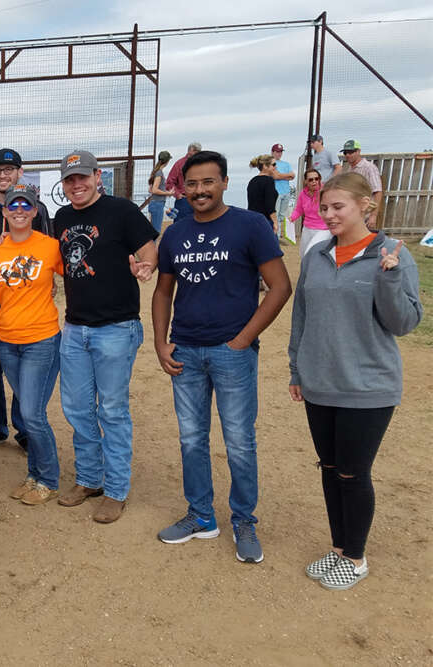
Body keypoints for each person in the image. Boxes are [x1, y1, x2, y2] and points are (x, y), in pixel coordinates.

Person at [152, 150, 292, 563]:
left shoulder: (249, 225)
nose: (199, 191)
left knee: (238, 441)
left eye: (208, 182)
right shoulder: (175, 233)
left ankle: (243, 519)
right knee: (191, 438)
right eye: (192, 184)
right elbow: (163, 291)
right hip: (186, 351)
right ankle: (200, 516)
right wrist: (161, 342)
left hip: (232, 352)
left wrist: (243, 339)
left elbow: (280, 287)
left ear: (225, 183)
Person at [289, 172, 422, 590]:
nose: (328, 215)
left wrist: (390, 276)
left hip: (368, 387)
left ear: (366, 206)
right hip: (319, 382)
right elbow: (302, 318)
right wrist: (297, 369)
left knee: (352, 472)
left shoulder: (392, 253)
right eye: (324, 207)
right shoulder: (316, 255)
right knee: (329, 469)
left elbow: (403, 323)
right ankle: (339, 548)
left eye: (337, 207)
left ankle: (356, 557)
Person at [53, 151, 158, 523]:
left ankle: (115, 489)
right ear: (63, 184)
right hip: (75, 327)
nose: (76, 185)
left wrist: (146, 266)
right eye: (69, 179)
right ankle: (89, 479)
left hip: (115, 327)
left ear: (98, 176)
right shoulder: (62, 218)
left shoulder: (122, 210)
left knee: (112, 410)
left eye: (83, 177)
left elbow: (149, 249)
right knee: (78, 408)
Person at [0, 184, 64, 506]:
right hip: (8, 341)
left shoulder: (50, 246)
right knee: (26, 409)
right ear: (4, 212)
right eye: (13, 206)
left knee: (32, 415)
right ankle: (33, 475)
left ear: (35, 211)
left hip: (42, 340)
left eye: (26, 206)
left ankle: (48, 479)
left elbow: (78, 276)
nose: (19, 210)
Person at [0, 148, 50, 453]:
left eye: (9, 169)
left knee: (24, 371)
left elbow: (49, 249)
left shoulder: (37, 209)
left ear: (20, 172)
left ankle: (23, 428)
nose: (3, 175)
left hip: (26, 301)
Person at [289, 169, 330, 258]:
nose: (314, 181)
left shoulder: (326, 193)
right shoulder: (302, 194)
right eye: (311, 180)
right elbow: (298, 210)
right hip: (307, 229)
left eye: (316, 178)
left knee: (318, 256)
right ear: (306, 181)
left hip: (323, 230)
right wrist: (291, 218)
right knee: (304, 255)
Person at [341, 140, 383, 225]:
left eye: (351, 152)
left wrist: (373, 216)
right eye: (345, 153)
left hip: (365, 216)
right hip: (354, 214)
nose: (348, 155)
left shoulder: (369, 168)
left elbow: (378, 192)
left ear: (358, 151)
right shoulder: (350, 169)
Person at [165, 141, 201, 220]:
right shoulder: (179, 164)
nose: (195, 154)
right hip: (183, 201)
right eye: (194, 151)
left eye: (197, 152)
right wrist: (178, 195)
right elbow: (169, 182)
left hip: (199, 199)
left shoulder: (201, 165)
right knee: (180, 227)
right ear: (189, 151)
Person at [247, 154, 279, 233]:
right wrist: (275, 222)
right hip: (265, 222)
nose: (276, 167)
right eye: (273, 165)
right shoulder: (269, 181)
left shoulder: (252, 181)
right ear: (265, 166)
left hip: (252, 221)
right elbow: (270, 205)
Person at [147, 150, 173, 234]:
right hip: (158, 204)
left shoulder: (155, 172)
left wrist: (165, 192)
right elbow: (154, 190)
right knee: (156, 231)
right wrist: (168, 193)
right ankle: (152, 247)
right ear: (167, 161)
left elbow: (150, 189)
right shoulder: (159, 173)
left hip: (154, 203)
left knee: (153, 230)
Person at [271, 143, 295, 230]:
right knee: (275, 215)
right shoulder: (271, 163)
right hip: (277, 192)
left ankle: (278, 236)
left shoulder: (286, 164)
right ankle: (275, 238)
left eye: (281, 152)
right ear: (272, 152)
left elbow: (293, 176)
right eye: (277, 152)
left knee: (282, 216)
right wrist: (287, 176)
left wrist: (281, 175)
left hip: (286, 192)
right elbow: (275, 176)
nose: (279, 154)